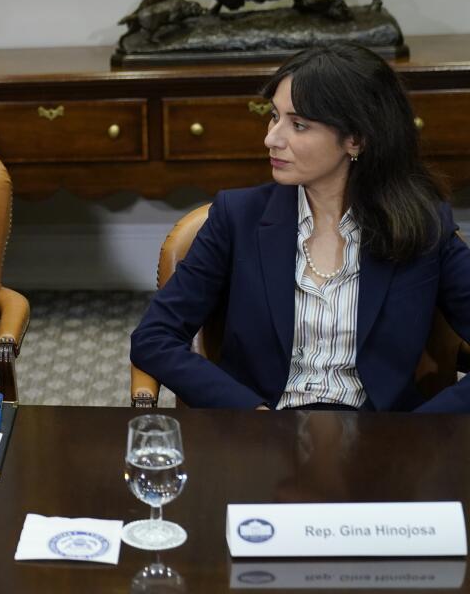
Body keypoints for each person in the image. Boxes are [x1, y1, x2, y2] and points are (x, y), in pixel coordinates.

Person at [130, 42, 470, 413]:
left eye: (298, 124)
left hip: (382, 445)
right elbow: (154, 336)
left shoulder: (423, 224)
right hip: (261, 438)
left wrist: (420, 431)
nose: (271, 138)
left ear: (355, 139)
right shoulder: (238, 217)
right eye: (274, 116)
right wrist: (249, 412)